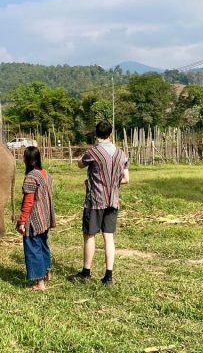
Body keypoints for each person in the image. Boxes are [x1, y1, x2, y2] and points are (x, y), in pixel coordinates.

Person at [71, 120, 129, 286]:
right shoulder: (121, 153)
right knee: (108, 237)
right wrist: (112, 184)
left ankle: (86, 272)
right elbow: (126, 179)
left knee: (89, 235)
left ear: (96, 134)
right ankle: (108, 276)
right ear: (110, 134)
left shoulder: (93, 152)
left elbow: (79, 164)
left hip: (95, 200)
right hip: (113, 201)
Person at [16, 146, 55, 290]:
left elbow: (28, 202)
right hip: (45, 217)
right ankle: (47, 272)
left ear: (27, 159)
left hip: (34, 219)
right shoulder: (46, 174)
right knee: (43, 245)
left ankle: (40, 283)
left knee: (33, 249)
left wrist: (22, 221)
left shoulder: (31, 177)